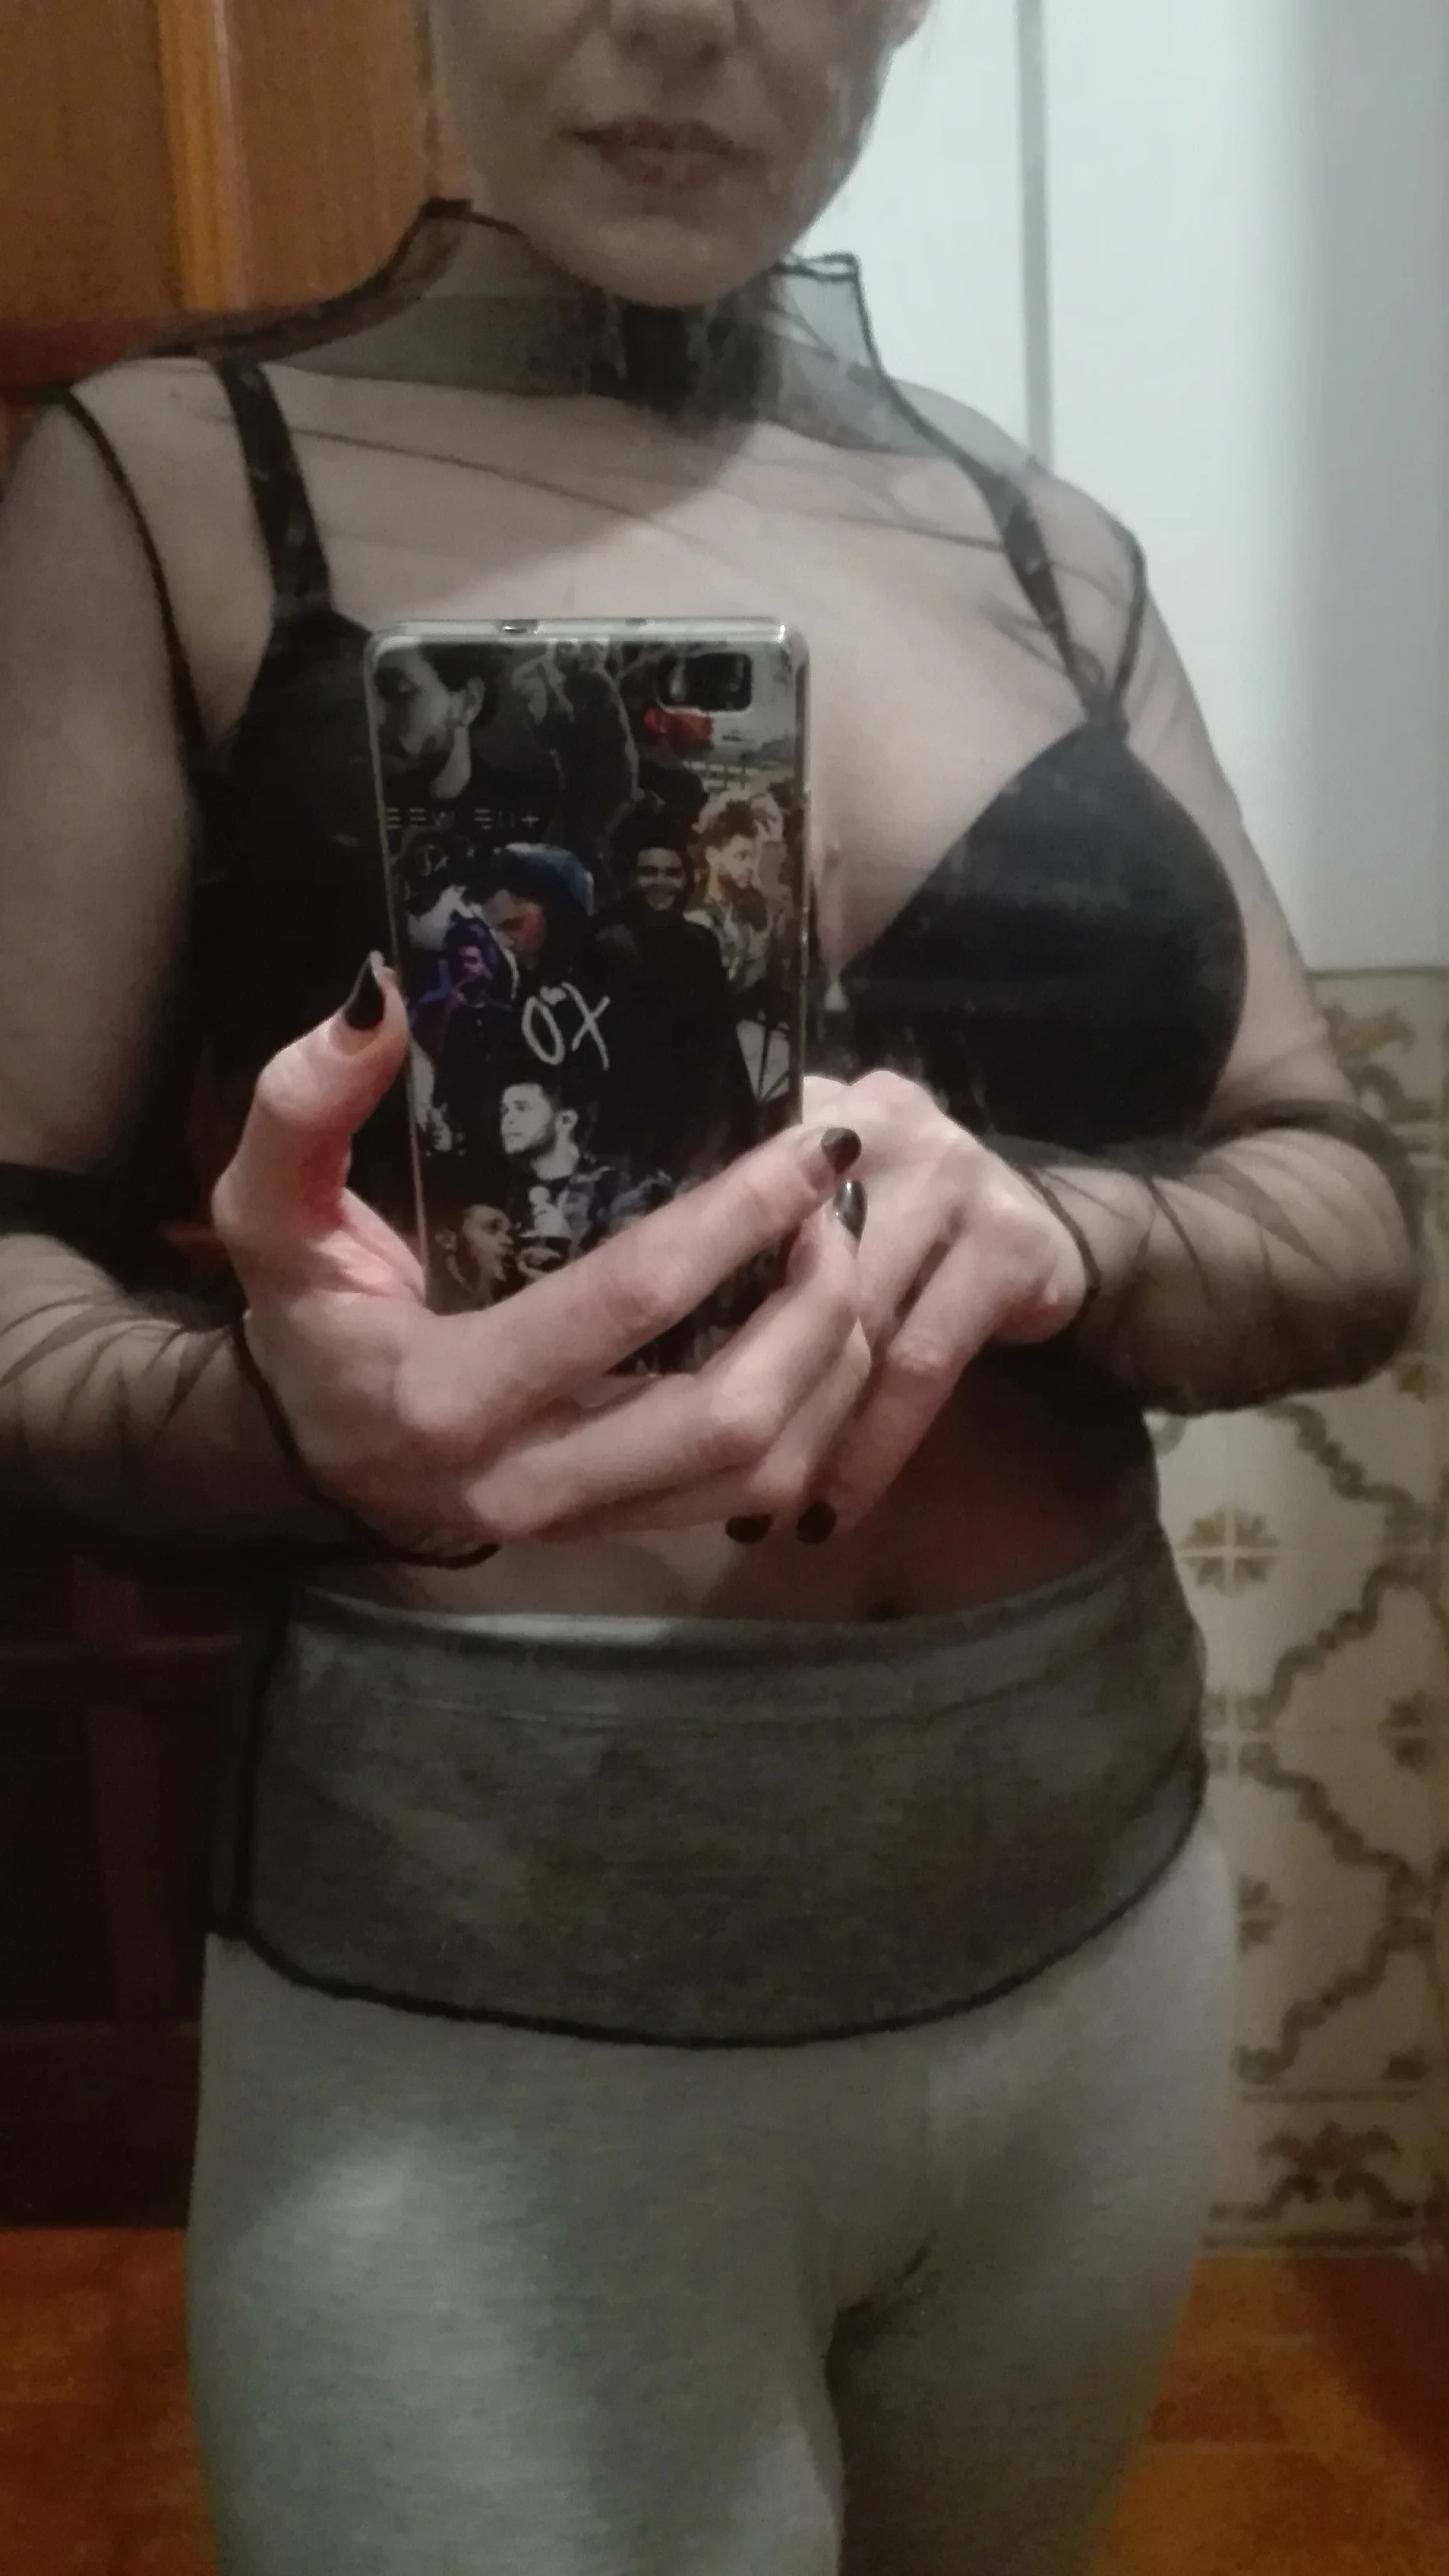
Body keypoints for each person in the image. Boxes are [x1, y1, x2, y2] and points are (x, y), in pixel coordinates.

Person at [0, 5, 1422, 2573]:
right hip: (488, 2002)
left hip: (1083, 1933)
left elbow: (1333, 1205)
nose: (682, 16)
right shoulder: (179, 479)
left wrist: (1067, 1233)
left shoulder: (1046, 550)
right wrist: (285, 1427)